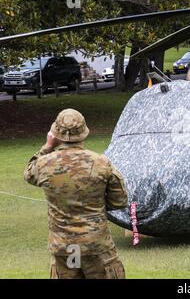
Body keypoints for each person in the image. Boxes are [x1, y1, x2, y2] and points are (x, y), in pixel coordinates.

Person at [24, 108, 128, 279]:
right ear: (84, 133)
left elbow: (28, 173)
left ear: (56, 134)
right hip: (97, 245)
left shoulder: (44, 164)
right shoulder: (101, 162)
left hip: (63, 247)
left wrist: (47, 147)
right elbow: (119, 201)